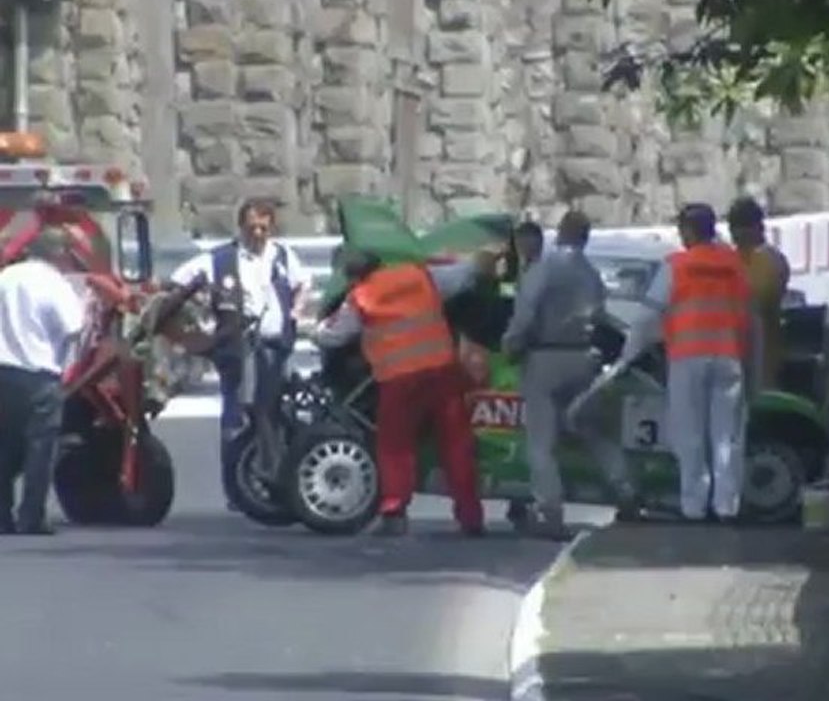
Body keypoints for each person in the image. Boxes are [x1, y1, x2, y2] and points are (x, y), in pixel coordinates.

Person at [313, 247, 495, 537]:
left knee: (395, 447)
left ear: (351, 275)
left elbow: (332, 335)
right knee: (456, 445)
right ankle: (471, 518)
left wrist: (315, 327)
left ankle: (394, 512)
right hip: (441, 371)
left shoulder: (360, 296)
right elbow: (466, 274)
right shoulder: (418, 275)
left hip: (399, 379)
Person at [501, 210, 640, 540]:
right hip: (583, 358)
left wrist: (511, 343)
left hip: (545, 356)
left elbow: (526, 312)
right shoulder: (591, 274)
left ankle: (550, 511)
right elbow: (601, 315)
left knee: (541, 442)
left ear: (561, 232)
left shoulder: (544, 267)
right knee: (593, 430)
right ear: (586, 237)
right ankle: (626, 489)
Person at [616, 203, 754, 522]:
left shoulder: (677, 265)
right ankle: (726, 506)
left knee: (689, 433)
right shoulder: (734, 265)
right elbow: (747, 314)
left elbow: (648, 316)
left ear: (689, 231)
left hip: (688, 357)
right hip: (728, 356)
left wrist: (628, 355)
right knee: (727, 436)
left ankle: (694, 506)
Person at [169, 199, 310, 507]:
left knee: (274, 412)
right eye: (251, 227)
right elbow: (179, 282)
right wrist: (201, 320)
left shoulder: (283, 255)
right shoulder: (220, 259)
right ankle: (237, 489)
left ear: (272, 227)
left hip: (276, 347)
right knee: (237, 415)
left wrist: (295, 313)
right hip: (238, 348)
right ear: (241, 227)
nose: (257, 233)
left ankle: (274, 477)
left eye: (263, 228)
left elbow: (303, 284)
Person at [0, 227, 86, 535]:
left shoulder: (6, 277)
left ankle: (2, 516)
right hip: (38, 375)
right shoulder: (54, 283)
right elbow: (74, 327)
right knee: (40, 448)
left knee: (4, 446)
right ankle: (31, 516)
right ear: (59, 253)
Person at [727, 196, 790, 391]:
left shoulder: (768, 260)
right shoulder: (734, 259)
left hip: (760, 344)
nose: (734, 235)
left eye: (739, 228)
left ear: (756, 228)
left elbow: (763, 298)